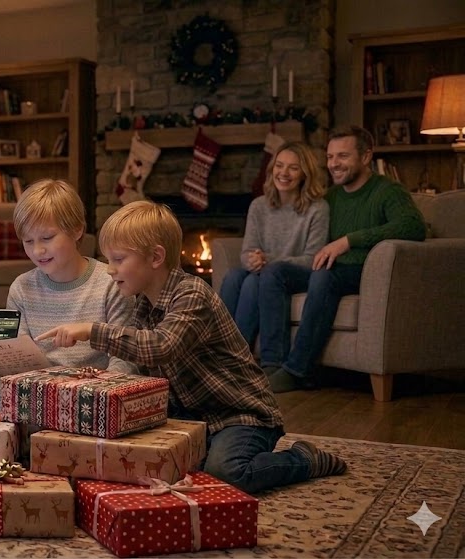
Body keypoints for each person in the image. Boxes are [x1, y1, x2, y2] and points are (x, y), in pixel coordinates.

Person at [36, 201, 347, 494]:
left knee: (227, 472)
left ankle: (303, 458)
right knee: (143, 460)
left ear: (156, 258)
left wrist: (92, 331)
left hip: (239, 415)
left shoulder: (192, 294)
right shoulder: (144, 304)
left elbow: (161, 347)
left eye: (119, 260)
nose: (110, 269)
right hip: (190, 416)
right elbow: (140, 362)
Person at [259, 126, 426, 393]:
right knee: (275, 272)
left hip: (366, 272)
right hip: (328, 269)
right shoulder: (331, 197)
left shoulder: (387, 191)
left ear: (366, 156)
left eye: (343, 156)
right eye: (330, 157)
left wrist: (349, 240)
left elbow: (413, 226)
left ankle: (298, 370)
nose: (334, 164)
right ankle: (270, 364)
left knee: (324, 277)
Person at [0, 179, 135, 407]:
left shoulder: (111, 283)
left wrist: (91, 397)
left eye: (47, 238)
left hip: (95, 400)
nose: (38, 250)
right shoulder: (20, 288)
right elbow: (9, 367)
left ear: (77, 230)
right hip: (36, 400)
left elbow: (125, 361)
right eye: (28, 241)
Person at [220, 141, 329, 347]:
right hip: (263, 272)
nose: (284, 173)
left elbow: (312, 259)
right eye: (279, 165)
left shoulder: (318, 208)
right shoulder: (259, 206)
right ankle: (218, 349)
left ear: (305, 173)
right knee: (235, 276)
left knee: (254, 281)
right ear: (272, 169)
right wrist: (253, 261)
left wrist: (267, 260)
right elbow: (247, 253)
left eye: (293, 168)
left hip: (295, 275)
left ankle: (237, 355)